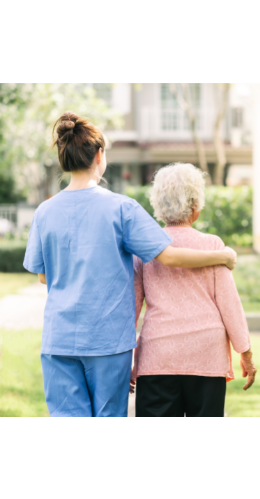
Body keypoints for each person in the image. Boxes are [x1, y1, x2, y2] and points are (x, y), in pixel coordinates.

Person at [23, 112, 237, 418]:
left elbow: (44, 276)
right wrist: (222, 256)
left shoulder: (44, 212)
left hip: (59, 340)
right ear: (99, 155)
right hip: (107, 341)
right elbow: (169, 255)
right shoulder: (121, 208)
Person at [130, 163, 256, 417]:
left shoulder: (145, 249)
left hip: (158, 357)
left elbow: (130, 309)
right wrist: (246, 354)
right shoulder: (212, 246)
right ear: (195, 207)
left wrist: (126, 361)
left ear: (158, 204)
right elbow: (230, 306)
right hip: (206, 356)